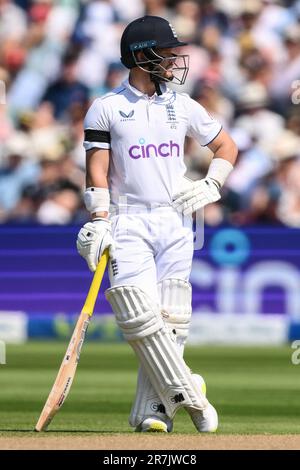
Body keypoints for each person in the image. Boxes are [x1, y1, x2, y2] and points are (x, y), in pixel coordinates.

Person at [77, 15, 238, 433]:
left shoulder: (181, 105)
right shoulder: (107, 107)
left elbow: (226, 145)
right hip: (128, 219)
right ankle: (191, 392)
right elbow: (97, 171)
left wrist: (212, 183)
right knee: (137, 313)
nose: (174, 59)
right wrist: (99, 219)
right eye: (166, 51)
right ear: (141, 55)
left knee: (172, 319)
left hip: (177, 219)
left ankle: (153, 412)